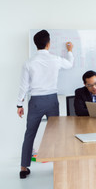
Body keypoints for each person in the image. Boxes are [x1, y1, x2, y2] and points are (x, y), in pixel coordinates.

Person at [17, 30, 74, 179]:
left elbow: (23, 86)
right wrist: (69, 51)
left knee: (29, 134)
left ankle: (23, 168)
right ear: (48, 44)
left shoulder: (28, 62)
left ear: (36, 45)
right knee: (56, 135)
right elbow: (69, 64)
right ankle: (57, 166)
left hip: (35, 100)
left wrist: (19, 105)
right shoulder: (55, 59)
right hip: (51, 100)